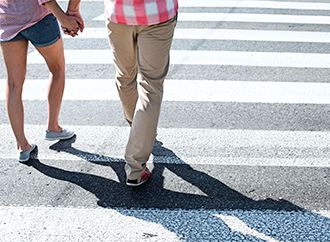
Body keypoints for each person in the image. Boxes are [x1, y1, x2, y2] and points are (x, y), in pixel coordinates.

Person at [0, 0, 84, 162]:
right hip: (37, 18)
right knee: (57, 70)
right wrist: (64, 18)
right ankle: (53, 127)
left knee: (13, 84)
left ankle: (22, 145)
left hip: (7, 19)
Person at [106, 0, 179, 186]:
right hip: (157, 13)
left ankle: (138, 130)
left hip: (119, 13)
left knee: (125, 77)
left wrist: (72, 9)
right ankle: (135, 166)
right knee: (150, 86)